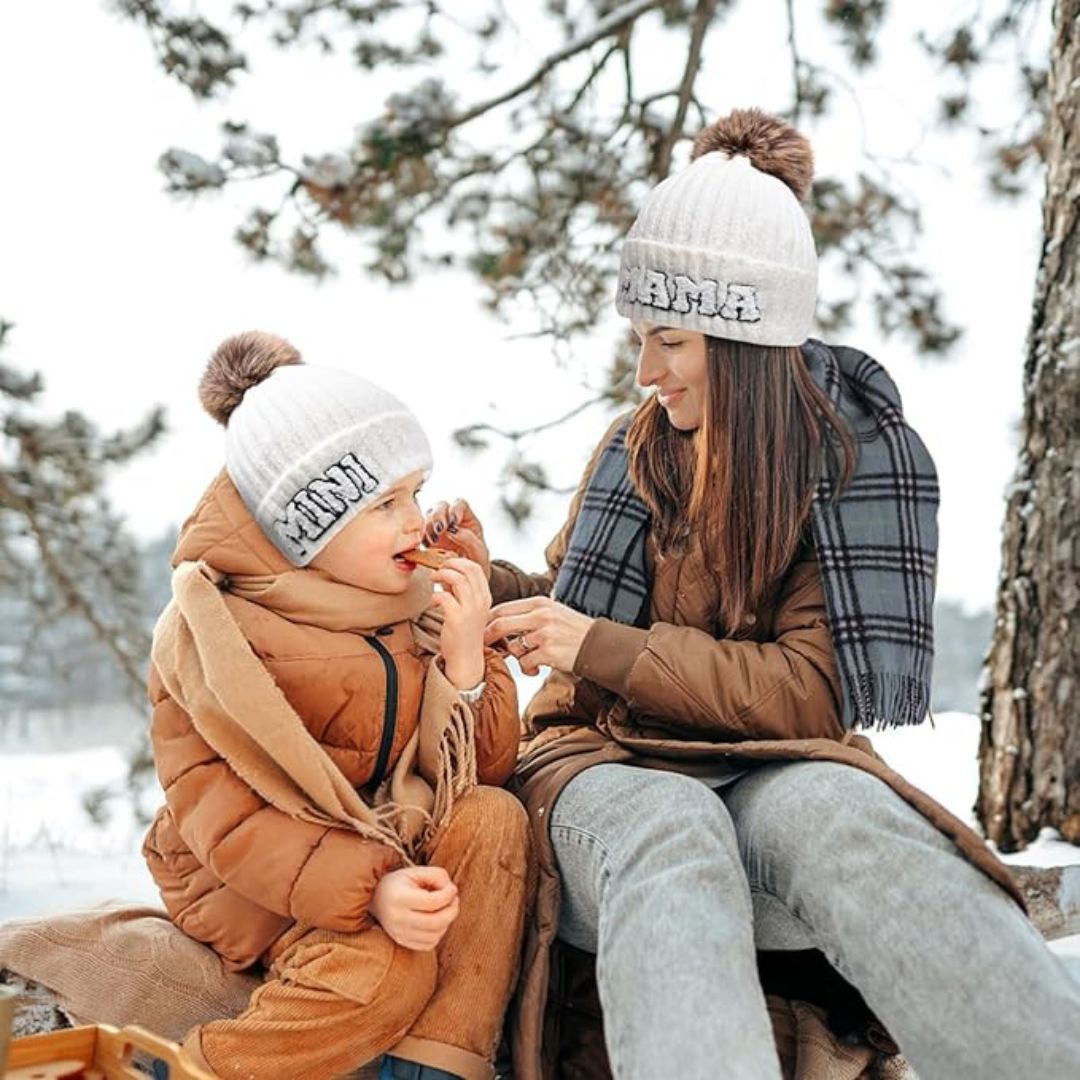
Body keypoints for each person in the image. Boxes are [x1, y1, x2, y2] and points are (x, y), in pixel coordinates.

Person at [427, 109, 1080, 1079]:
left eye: (671, 342)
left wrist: (594, 642)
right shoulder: (630, 449)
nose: (645, 373)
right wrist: (483, 580)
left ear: (744, 342)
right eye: (641, 340)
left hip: (772, 757)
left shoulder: (846, 473)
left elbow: (810, 690)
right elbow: (570, 596)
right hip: (598, 757)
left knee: (860, 824)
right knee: (672, 830)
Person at [141, 331, 531, 1080]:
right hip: (253, 875)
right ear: (305, 526)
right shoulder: (214, 635)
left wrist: (464, 658)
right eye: (385, 503)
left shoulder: (409, 597)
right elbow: (227, 819)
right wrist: (370, 888)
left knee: (494, 820)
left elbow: (484, 772)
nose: (415, 521)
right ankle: (200, 1070)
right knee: (390, 969)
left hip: (387, 834)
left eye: (416, 491)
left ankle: (431, 1068)